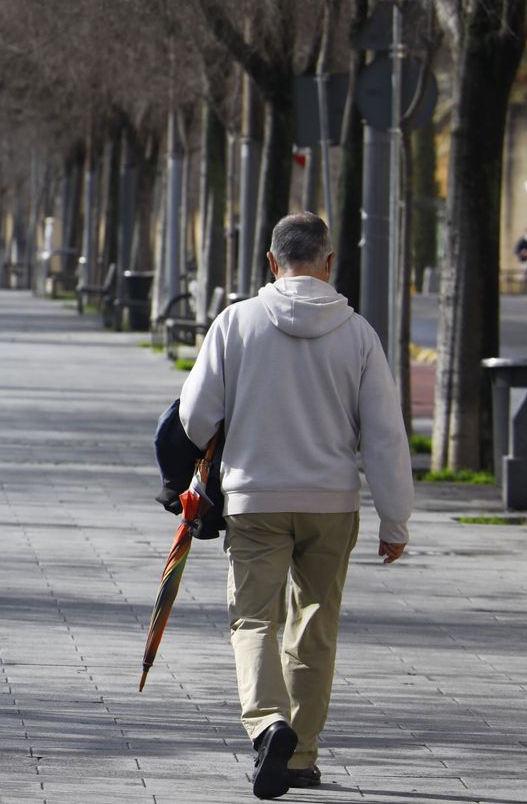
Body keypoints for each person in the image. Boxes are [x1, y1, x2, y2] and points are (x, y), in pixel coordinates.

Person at [177, 212, 412, 800]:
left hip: (255, 497)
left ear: (270, 260)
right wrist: (395, 518)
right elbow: (384, 434)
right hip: (331, 503)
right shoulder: (357, 333)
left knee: (254, 617)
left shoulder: (235, 323)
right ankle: (301, 756)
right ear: (329, 263)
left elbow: (195, 415)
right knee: (314, 624)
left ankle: (267, 724)